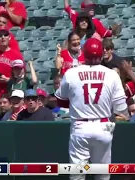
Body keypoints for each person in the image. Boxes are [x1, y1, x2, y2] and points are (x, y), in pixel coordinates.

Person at [55, 38, 128, 180]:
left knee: (77, 175)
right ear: (101, 54)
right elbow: (121, 108)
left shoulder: (71, 73)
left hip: (80, 126)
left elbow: (60, 101)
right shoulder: (112, 74)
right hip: (104, 126)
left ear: (84, 53)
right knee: (102, 175)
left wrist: (78, 105)